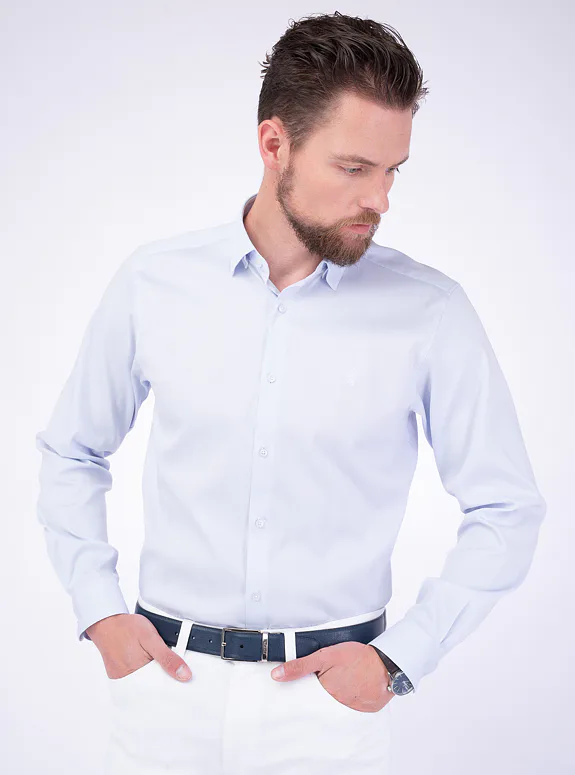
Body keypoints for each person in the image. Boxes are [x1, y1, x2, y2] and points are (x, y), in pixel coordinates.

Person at [34, 11, 547, 775]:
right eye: (353, 168)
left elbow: (507, 507)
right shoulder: (154, 282)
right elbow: (72, 450)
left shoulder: (429, 310)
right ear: (274, 144)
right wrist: (100, 610)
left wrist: (398, 659)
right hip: (163, 694)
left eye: (392, 171)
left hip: (327, 714)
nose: (379, 199)